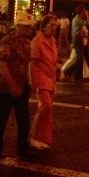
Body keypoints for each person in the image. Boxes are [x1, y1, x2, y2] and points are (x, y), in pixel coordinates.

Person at [0, 21, 33, 160]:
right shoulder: (7, 40)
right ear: (18, 26)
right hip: (5, 88)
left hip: (22, 85)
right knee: (1, 120)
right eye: (26, 26)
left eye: (30, 26)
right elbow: (3, 65)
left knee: (24, 120)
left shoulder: (27, 42)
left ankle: (23, 149)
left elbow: (28, 63)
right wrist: (12, 84)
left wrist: (29, 81)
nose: (29, 29)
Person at [29, 15, 58, 151]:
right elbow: (33, 63)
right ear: (44, 25)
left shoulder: (52, 40)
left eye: (55, 25)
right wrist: (32, 82)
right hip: (40, 77)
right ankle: (34, 135)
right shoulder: (37, 41)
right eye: (51, 25)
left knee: (48, 108)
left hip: (50, 78)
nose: (54, 28)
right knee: (45, 106)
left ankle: (44, 138)